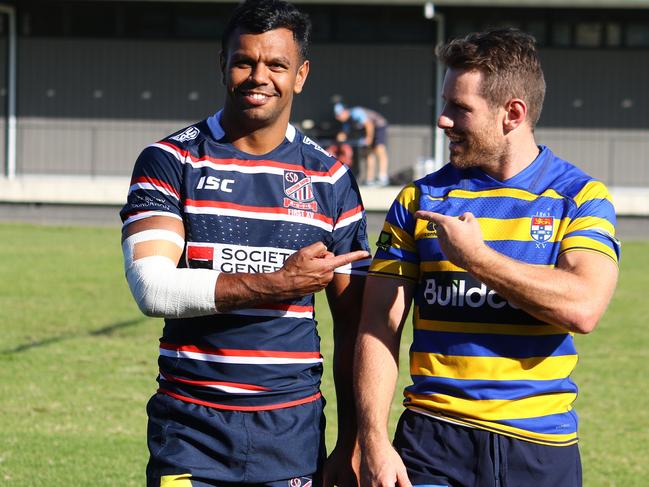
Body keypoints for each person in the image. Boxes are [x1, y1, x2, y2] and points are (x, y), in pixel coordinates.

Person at [354, 28, 620, 487]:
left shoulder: (579, 198)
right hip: (432, 443)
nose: (442, 120)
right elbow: (379, 323)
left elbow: (582, 306)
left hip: (539, 447)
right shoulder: (421, 198)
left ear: (512, 114)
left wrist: (477, 258)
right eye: (445, 104)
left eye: (459, 108)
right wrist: (373, 441)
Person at [120, 1, 371, 485]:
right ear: (223, 65)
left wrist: (355, 442)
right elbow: (152, 289)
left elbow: (355, 329)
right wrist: (279, 282)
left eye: (276, 64)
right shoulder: (170, 160)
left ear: (300, 75)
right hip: (191, 428)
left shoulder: (332, 180)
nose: (259, 76)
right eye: (244, 61)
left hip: (291, 430)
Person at [334, 103, 389, 186]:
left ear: (345, 112)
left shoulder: (356, 113)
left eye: (339, 115)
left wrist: (369, 138)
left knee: (379, 149)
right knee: (368, 153)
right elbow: (344, 133)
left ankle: (383, 177)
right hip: (368, 131)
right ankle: (370, 179)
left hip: (378, 126)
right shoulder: (347, 122)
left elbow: (369, 124)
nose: (338, 118)